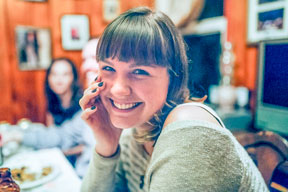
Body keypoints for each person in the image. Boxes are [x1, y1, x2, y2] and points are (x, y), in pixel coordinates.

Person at [79, 7, 268, 192]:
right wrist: (107, 146)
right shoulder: (134, 132)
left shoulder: (190, 131)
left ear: (173, 78)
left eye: (139, 71)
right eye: (108, 68)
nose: (119, 89)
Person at [2, 58, 96, 178]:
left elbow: (87, 146)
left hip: (77, 164)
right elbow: (54, 134)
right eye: (54, 74)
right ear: (48, 78)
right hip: (58, 155)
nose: (59, 80)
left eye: (65, 74)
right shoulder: (53, 102)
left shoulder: (85, 105)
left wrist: (58, 152)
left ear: (74, 78)